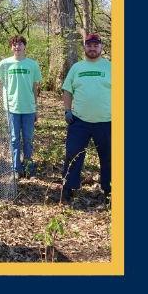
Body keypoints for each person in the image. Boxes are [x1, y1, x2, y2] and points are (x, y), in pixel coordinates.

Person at [61, 33, 111, 205]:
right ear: (85, 47)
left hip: (107, 122)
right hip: (79, 122)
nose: (92, 47)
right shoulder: (77, 68)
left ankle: (109, 190)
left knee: (109, 158)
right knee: (73, 155)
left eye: (95, 45)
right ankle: (68, 189)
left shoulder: (112, 67)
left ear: (101, 47)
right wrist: (67, 111)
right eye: (89, 45)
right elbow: (67, 90)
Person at [0, 35, 42, 178]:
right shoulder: (4, 64)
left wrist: (36, 108)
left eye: (20, 44)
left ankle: (28, 167)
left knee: (28, 138)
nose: (17, 46)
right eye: (14, 44)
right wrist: (3, 96)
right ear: (11, 47)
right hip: (12, 108)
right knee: (14, 139)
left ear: (24, 46)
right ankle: (16, 169)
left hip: (28, 108)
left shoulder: (32, 65)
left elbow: (35, 87)